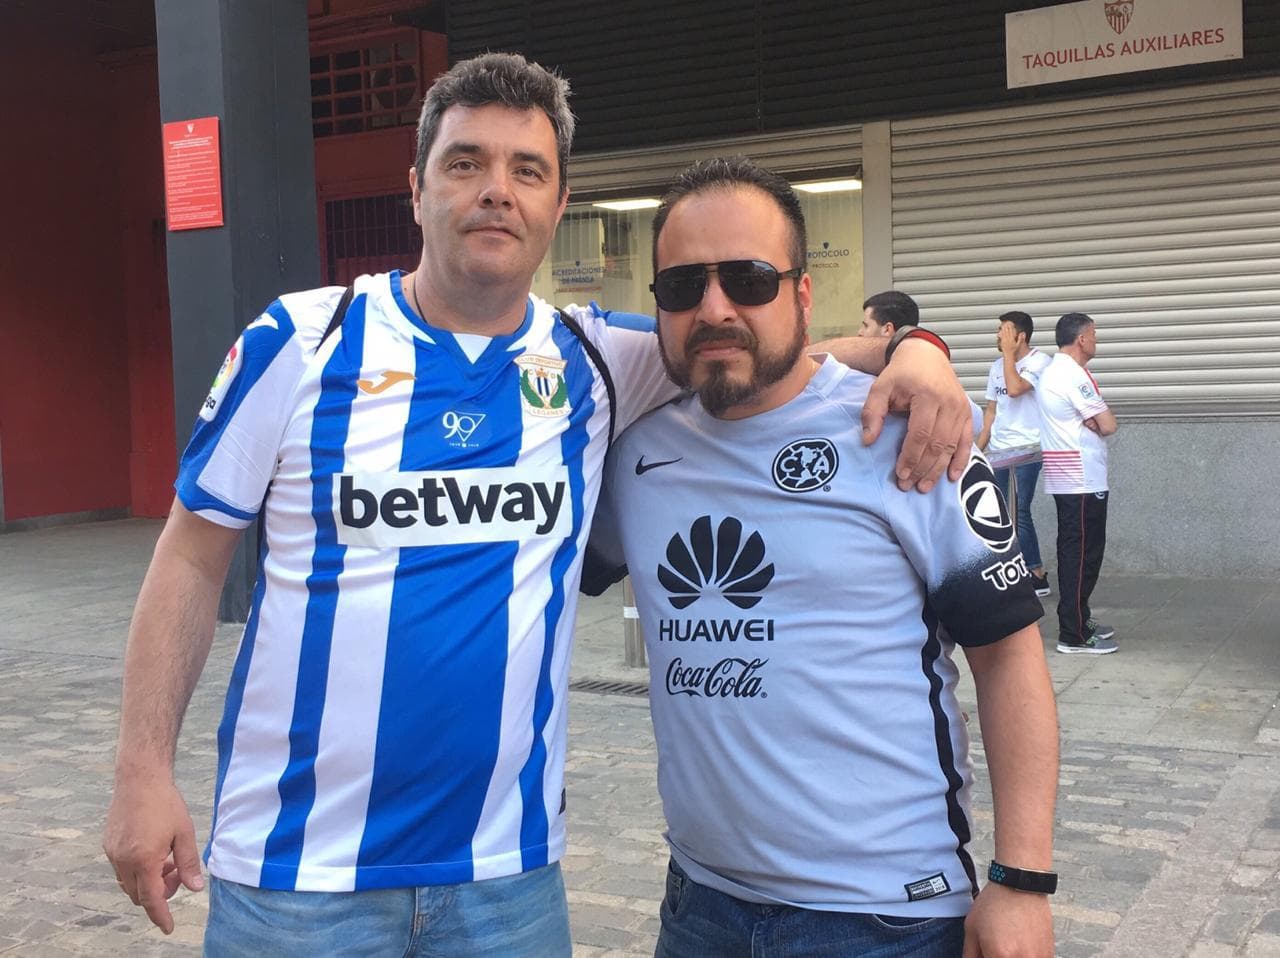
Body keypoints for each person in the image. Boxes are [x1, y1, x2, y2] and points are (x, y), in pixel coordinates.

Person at [102, 53, 976, 955]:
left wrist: (916, 348)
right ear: (416, 189)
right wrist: (141, 770)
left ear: (559, 207)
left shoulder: (598, 360)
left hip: (506, 883)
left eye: (527, 171)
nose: (496, 191)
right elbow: (190, 558)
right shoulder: (299, 340)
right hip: (295, 879)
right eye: (465, 163)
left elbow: (752, 343)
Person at [585, 157, 1058, 957]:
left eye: (750, 279)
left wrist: (1022, 882)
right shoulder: (630, 454)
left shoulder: (909, 433)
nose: (715, 308)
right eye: (681, 288)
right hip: (700, 909)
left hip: (887, 919)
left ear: (802, 294)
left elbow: (1009, 659)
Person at [1037, 311, 1119, 654]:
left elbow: (1098, 423)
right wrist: (1098, 423)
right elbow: (1109, 424)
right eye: (1094, 335)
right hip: (1081, 479)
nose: (1096, 340)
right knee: (1083, 554)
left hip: (1068, 477)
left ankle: (1079, 618)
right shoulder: (1073, 375)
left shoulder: (1054, 372)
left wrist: (1095, 423)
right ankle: (1073, 633)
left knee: (1076, 550)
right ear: (1082, 339)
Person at [977, 310, 1053, 597]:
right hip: (1000, 450)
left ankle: (1036, 574)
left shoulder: (1040, 362)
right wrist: (976, 449)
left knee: (1019, 509)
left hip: (1028, 449)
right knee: (998, 512)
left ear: (1021, 336)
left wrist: (1009, 356)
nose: (998, 335)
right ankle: (1012, 569)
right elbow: (992, 410)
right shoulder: (997, 365)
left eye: (1004, 331)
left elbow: (1016, 388)